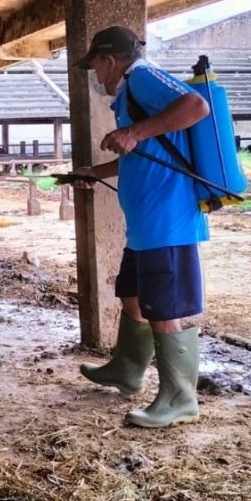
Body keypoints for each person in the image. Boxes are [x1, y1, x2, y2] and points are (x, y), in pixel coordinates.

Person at [69, 25, 211, 428]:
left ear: (110, 60)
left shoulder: (143, 78)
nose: (96, 76)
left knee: (164, 308)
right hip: (146, 225)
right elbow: (141, 155)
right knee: (131, 293)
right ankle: (128, 369)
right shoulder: (131, 96)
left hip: (167, 222)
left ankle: (180, 399)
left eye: (96, 67)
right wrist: (93, 172)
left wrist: (134, 130)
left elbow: (197, 106)